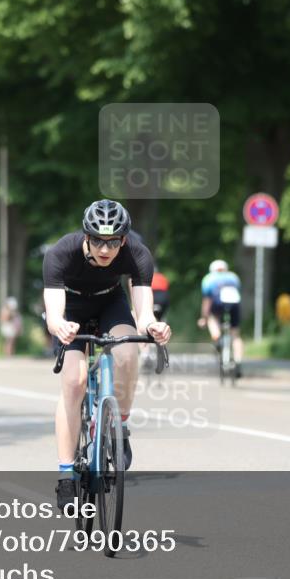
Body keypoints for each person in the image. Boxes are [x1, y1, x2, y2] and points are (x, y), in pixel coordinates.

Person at [43, 199, 171, 509]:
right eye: (98, 240)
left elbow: (143, 312)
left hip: (109, 303)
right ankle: (66, 474)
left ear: (124, 239)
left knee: (128, 353)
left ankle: (120, 428)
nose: (105, 249)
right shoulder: (62, 253)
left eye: (113, 241)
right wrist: (60, 327)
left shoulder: (137, 254)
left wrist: (155, 327)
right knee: (75, 381)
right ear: (86, 236)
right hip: (70, 308)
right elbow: (54, 315)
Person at [198, 259, 244, 377]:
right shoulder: (233, 277)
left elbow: (207, 300)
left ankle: (217, 337)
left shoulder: (208, 278)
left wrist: (204, 317)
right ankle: (238, 362)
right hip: (234, 304)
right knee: (235, 335)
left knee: (212, 318)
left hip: (217, 303)